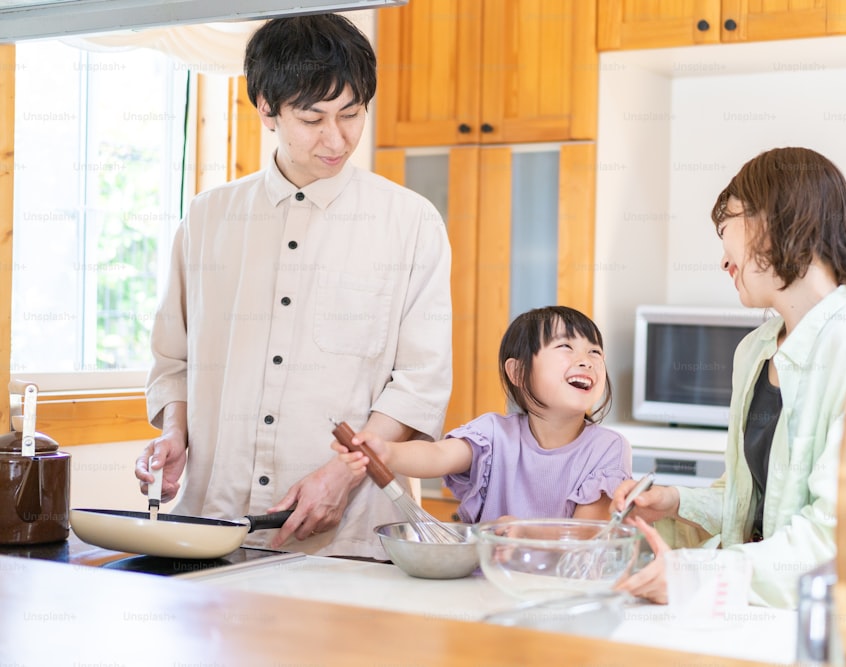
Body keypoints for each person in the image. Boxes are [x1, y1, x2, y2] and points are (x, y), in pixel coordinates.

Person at [134, 14, 453, 559]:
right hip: (213, 527)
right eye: (313, 118)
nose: (338, 138)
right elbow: (173, 359)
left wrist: (342, 474)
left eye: (352, 114)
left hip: (346, 540)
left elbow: (420, 383)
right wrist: (174, 436)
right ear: (266, 109)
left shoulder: (410, 222)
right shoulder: (209, 218)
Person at [613, 147, 846, 608]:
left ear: (776, 222)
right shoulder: (754, 351)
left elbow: (839, 537)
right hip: (751, 610)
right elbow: (755, 506)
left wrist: (697, 574)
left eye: (728, 223)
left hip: (816, 617)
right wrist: (677, 502)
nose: (723, 260)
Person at [333, 306, 632, 522]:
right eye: (566, 346)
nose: (586, 361)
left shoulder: (608, 448)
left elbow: (587, 534)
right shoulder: (493, 433)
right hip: (486, 584)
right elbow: (437, 456)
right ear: (517, 372)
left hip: (565, 594)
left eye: (595, 352)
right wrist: (387, 451)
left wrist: (525, 534)